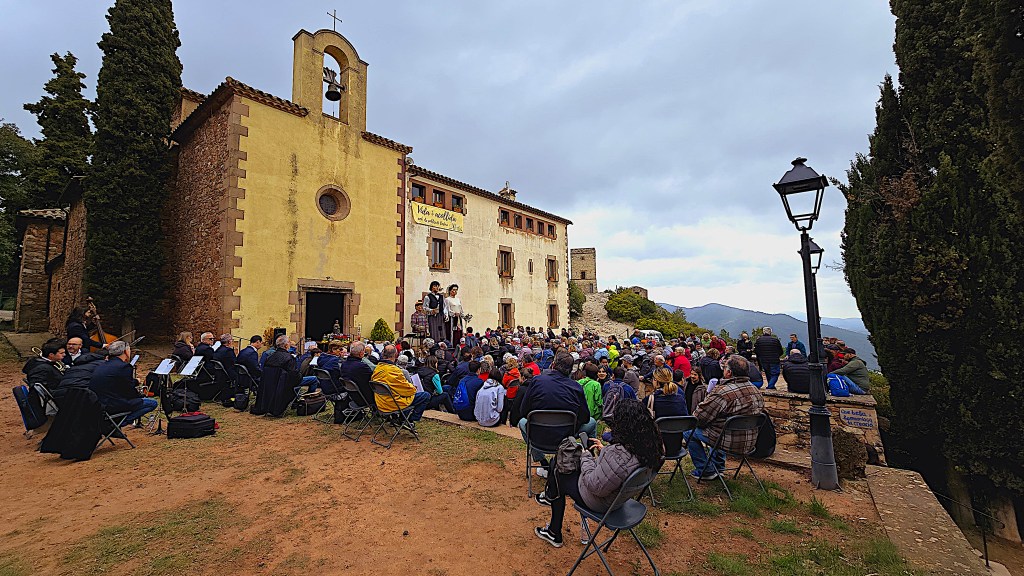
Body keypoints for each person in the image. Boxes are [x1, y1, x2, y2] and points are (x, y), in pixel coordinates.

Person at [533, 398, 664, 548]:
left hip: (600, 502)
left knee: (558, 469)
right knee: (560, 467)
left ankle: (554, 530)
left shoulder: (619, 455)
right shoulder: (651, 447)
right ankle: (550, 496)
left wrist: (585, 455)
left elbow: (594, 485)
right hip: (620, 498)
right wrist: (605, 451)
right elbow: (618, 469)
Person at [518, 352, 597, 478]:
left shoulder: (537, 381)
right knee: (592, 422)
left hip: (539, 437)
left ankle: (543, 462)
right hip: (566, 437)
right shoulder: (576, 387)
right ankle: (590, 462)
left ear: (553, 364)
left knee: (522, 422)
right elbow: (585, 418)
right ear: (571, 370)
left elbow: (523, 412)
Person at [686, 355, 764, 480]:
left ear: (729, 372)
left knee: (688, 432)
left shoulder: (723, 392)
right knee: (719, 425)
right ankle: (718, 467)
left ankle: (706, 470)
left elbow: (699, 418)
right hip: (749, 442)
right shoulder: (756, 390)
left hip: (728, 441)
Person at [89, 341, 157, 426]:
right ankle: (120, 422)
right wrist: (139, 396)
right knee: (152, 403)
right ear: (125, 351)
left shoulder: (102, 365)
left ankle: (116, 422)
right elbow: (128, 390)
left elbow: (117, 384)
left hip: (98, 404)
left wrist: (135, 382)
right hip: (113, 405)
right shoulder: (124, 366)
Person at [372, 345, 431, 423]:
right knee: (426, 395)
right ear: (395, 355)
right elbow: (407, 390)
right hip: (393, 404)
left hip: (381, 403)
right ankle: (410, 420)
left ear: (383, 354)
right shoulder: (394, 370)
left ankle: (402, 418)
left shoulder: (377, 368)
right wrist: (413, 387)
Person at [340, 341, 375, 407]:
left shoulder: (344, 364)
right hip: (365, 399)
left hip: (352, 396)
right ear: (361, 353)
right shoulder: (362, 367)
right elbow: (373, 378)